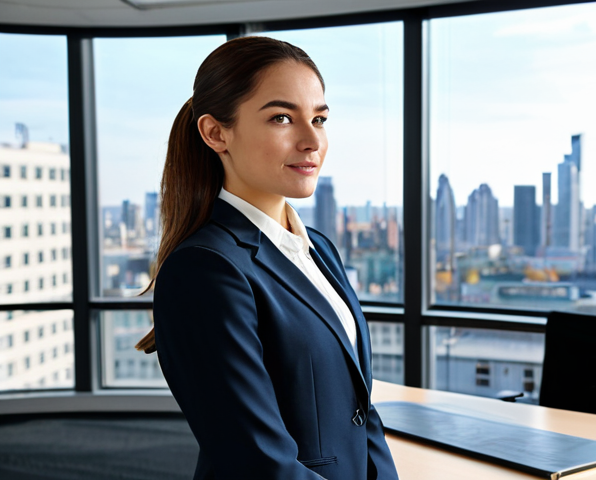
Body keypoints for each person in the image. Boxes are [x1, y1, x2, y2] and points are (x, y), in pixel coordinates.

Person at [134, 36, 399, 480]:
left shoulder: (319, 248)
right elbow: (257, 461)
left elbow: (360, 411)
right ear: (216, 133)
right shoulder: (206, 269)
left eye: (319, 118)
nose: (312, 140)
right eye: (282, 118)